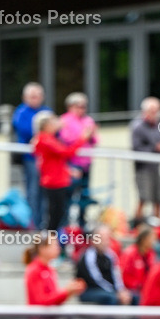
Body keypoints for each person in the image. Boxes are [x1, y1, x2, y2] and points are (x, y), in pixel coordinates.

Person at [32, 112, 93, 237]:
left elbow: (56, 160)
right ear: (46, 125)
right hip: (54, 182)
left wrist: (68, 171)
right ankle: (50, 242)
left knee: (57, 214)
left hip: (57, 180)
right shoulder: (45, 139)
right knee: (55, 215)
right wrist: (82, 139)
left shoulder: (47, 139)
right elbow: (66, 152)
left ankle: (53, 242)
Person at [12, 82, 50, 228]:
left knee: (45, 192)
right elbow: (27, 131)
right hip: (31, 158)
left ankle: (43, 222)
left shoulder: (46, 110)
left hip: (46, 159)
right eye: (32, 96)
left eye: (37, 96)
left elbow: (55, 130)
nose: (35, 99)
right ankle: (33, 223)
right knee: (33, 191)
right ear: (25, 97)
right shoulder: (21, 113)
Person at [59, 93, 98, 230]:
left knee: (84, 195)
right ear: (70, 106)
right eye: (79, 106)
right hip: (72, 163)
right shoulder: (64, 121)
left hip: (86, 164)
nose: (82, 109)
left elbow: (94, 141)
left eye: (84, 107)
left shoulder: (89, 120)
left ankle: (82, 224)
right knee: (69, 195)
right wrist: (83, 137)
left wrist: (91, 135)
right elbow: (66, 142)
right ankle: (66, 224)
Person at [130, 97, 160, 224]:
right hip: (143, 168)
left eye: (157, 111)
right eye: (153, 111)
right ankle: (137, 225)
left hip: (156, 167)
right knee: (144, 197)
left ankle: (158, 225)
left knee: (159, 198)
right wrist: (154, 148)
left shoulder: (159, 126)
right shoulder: (137, 127)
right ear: (145, 111)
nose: (156, 114)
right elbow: (136, 148)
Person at [76, 224, 129, 305]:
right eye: (102, 238)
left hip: (107, 290)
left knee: (133, 297)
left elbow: (116, 276)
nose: (105, 242)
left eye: (107, 238)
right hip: (89, 290)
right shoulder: (88, 256)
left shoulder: (111, 255)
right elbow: (96, 279)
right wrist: (114, 292)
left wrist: (121, 290)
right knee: (111, 297)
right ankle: (112, 318)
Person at [121, 226, 156, 304]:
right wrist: (138, 285)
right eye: (152, 238)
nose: (154, 241)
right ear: (144, 239)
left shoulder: (151, 254)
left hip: (145, 288)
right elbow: (124, 275)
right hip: (131, 289)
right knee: (139, 297)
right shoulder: (130, 253)